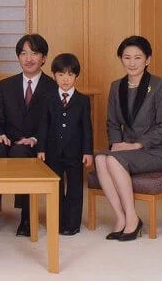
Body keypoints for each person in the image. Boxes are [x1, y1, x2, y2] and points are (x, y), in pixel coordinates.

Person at [95, 36, 162, 241]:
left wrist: (137, 144)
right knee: (100, 158)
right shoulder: (116, 86)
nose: (132, 62)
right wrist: (116, 145)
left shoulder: (159, 86)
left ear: (147, 60)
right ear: (121, 59)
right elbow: (112, 123)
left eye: (138, 57)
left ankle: (133, 219)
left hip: (155, 151)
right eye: (127, 57)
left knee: (111, 159)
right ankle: (121, 218)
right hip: (127, 149)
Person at [0, 34, 57, 236]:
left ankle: (26, 217)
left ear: (44, 58)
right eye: (23, 53)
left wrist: (36, 139)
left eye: (34, 53)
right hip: (8, 140)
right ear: (18, 57)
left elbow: (56, 124)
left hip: (35, 145)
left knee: (21, 153)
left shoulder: (53, 87)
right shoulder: (6, 85)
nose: (29, 58)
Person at [36, 53, 93, 236]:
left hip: (75, 153)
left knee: (75, 187)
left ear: (76, 76)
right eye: (61, 74)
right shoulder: (48, 98)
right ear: (54, 75)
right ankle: (58, 221)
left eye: (69, 74)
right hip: (53, 152)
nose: (65, 79)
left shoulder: (83, 100)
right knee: (56, 187)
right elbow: (43, 125)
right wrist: (41, 149)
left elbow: (87, 128)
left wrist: (87, 151)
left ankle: (73, 223)